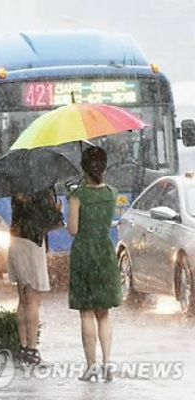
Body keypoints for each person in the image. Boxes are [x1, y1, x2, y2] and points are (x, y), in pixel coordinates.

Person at [67, 146, 122, 382]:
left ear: (83, 168)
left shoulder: (78, 195)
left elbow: (73, 230)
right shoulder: (112, 192)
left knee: (86, 314)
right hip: (105, 253)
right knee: (104, 314)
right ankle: (108, 363)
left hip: (84, 254)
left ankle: (91, 367)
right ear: (104, 167)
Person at [8, 187, 63, 366]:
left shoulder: (16, 187)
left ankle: (23, 347)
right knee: (33, 300)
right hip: (33, 243)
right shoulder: (42, 189)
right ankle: (32, 350)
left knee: (23, 298)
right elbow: (49, 222)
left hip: (15, 241)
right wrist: (58, 211)